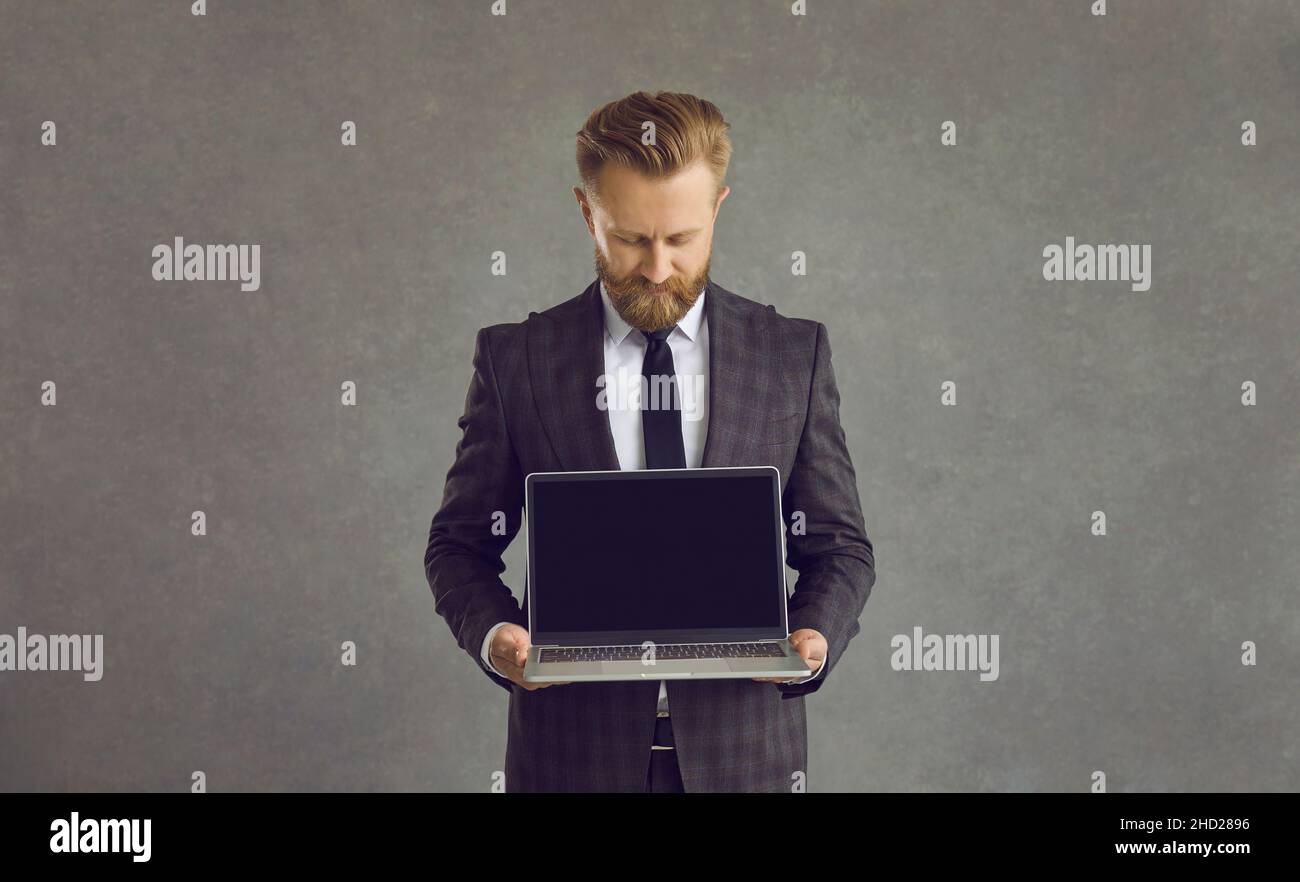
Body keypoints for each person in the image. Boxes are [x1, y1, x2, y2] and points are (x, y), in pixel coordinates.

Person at [424, 90, 875, 792]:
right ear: (586, 213)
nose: (658, 268)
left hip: (746, 757)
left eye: (682, 238)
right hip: (569, 758)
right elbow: (458, 546)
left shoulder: (793, 355)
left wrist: (813, 635)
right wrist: (497, 637)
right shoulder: (519, 361)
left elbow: (840, 547)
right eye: (631, 238)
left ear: (718, 208)